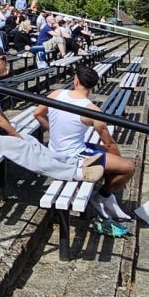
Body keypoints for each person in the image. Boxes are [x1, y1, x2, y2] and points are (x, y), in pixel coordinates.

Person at [0, 46, 106, 187]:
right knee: (23, 147)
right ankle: (76, 173)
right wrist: (14, 134)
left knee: (30, 140)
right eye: (3, 59)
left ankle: (74, 163)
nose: (6, 62)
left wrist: (14, 132)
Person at [34, 66, 136, 221]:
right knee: (128, 167)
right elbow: (109, 144)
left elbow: (38, 113)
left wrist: (52, 130)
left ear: (76, 80)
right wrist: (119, 164)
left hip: (56, 149)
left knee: (106, 154)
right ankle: (102, 196)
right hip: (73, 157)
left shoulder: (56, 94)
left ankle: (108, 194)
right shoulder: (91, 110)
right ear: (93, 86)